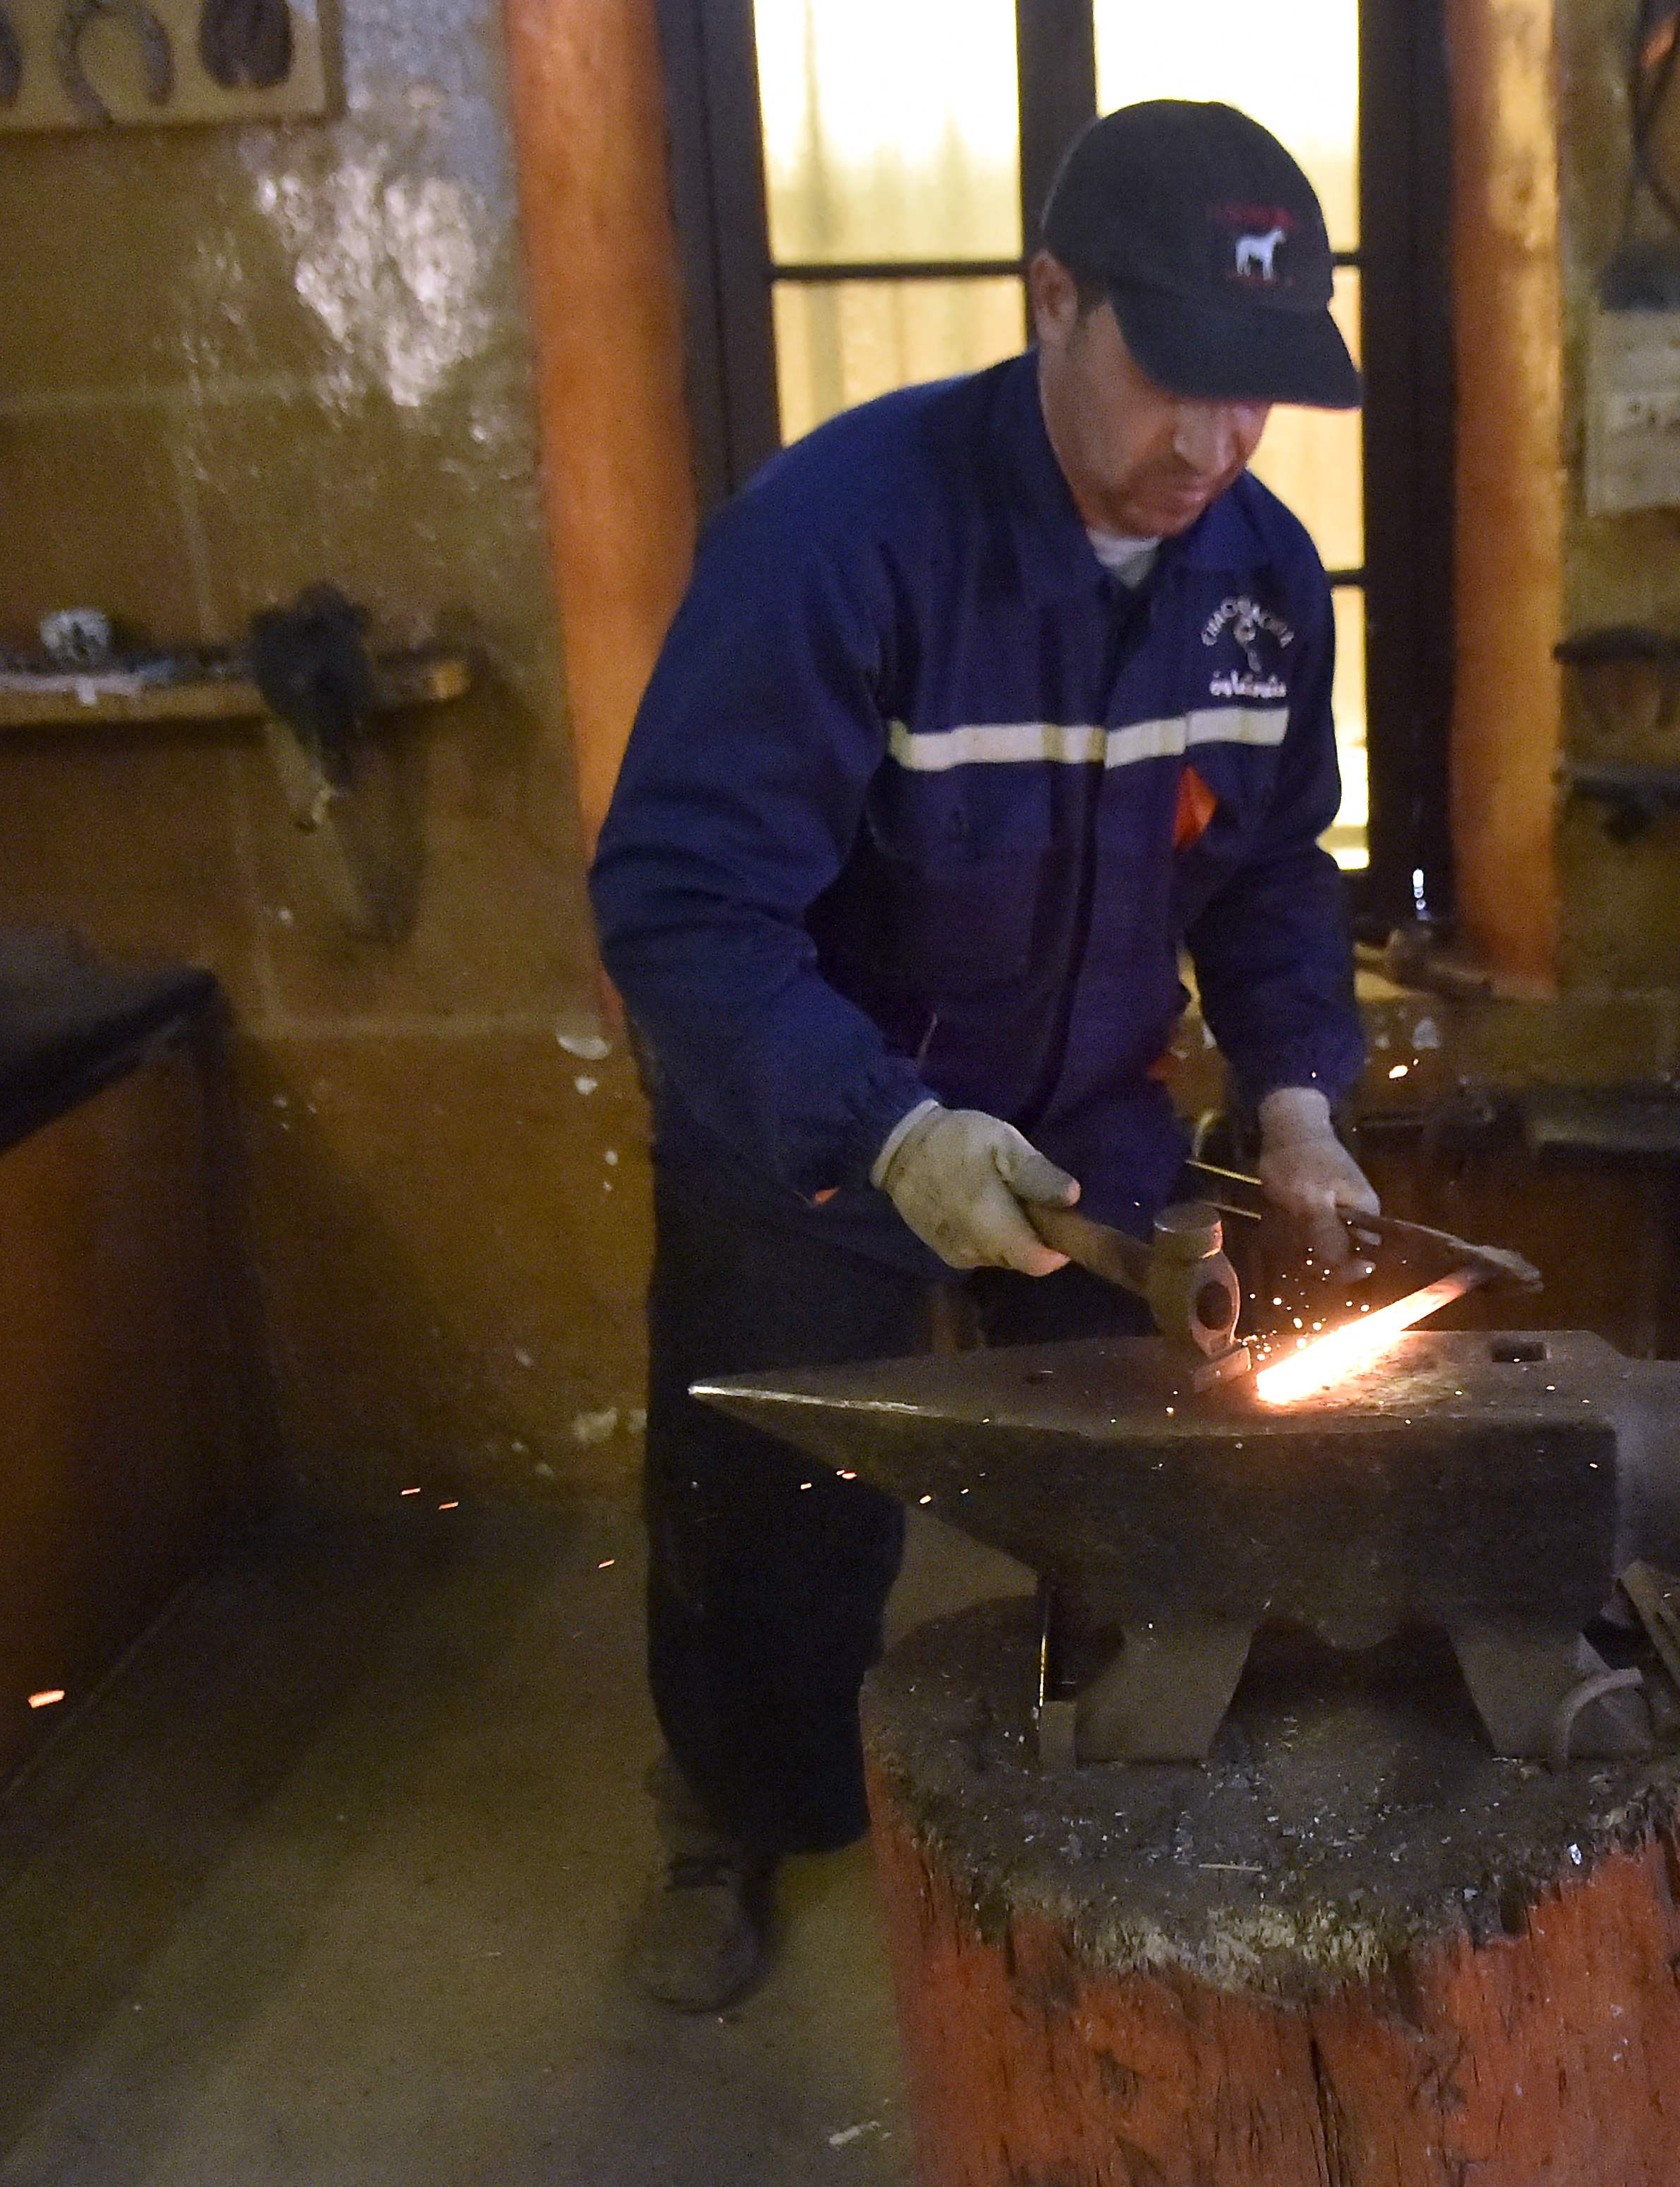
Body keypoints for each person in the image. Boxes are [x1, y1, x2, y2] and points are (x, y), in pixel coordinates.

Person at [588, 99, 1379, 2009]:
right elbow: (686, 906)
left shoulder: (1257, 582)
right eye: (1175, 377)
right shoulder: (835, 541)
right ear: (1050, 301)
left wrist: (1294, 1104)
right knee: (769, 1528)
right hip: (808, 1130)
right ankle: (742, 1818)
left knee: (1147, 1489)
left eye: (1256, 392)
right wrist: (887, 1128)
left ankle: (1122, 1808)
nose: (1213, 445)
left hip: (1089, 1115)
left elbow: (1270, 875)